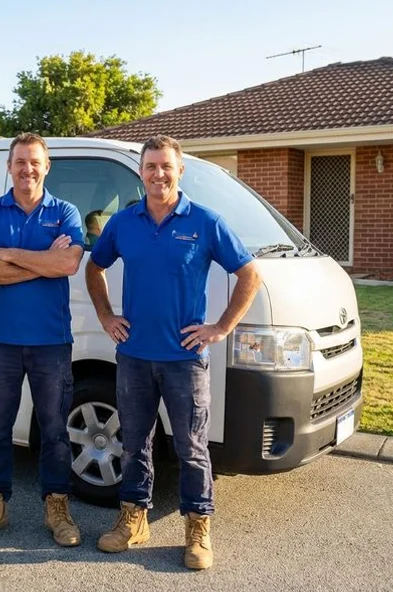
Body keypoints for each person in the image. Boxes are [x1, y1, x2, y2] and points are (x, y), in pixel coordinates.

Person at [85, 134, 262, 569]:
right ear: (141, 172)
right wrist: (107, 316)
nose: (158, 174)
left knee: (191, 447)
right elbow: (94, 267)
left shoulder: (204, 221)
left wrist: (221, 327)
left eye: (166, 166)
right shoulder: (124, 223)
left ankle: (198, 529)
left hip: (184, 359)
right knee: (133, 445)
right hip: (134, 356)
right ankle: (133, 519)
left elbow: (248, 274)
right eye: (150, 167)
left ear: (179, 171)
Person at [0, 133, 85, 547]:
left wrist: (9, 253)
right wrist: (42, 262)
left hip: (52, 341)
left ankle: (57, 507)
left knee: (54, 431)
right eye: (20, 162)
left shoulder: (66, 211)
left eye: (35, 162)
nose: (27, 168)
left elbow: (69, 261)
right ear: (9, 166)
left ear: (46, 166)